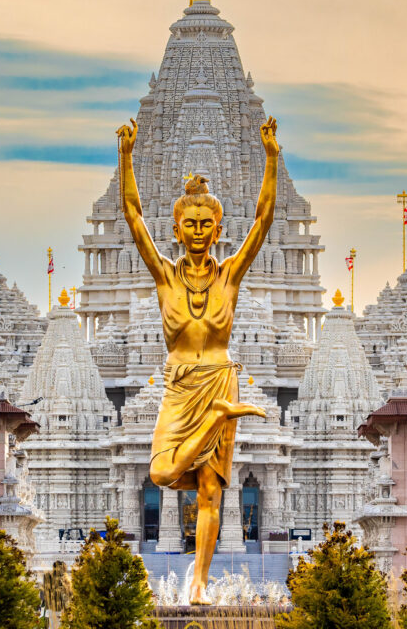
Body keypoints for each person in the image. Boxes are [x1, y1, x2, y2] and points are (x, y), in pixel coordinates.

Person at [116, 114, 280, 604]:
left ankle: (200, 583)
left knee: (211, 490)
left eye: (207, 224)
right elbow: (133, 217)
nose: (198, 232)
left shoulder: (229, 276)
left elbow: (263, 220)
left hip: (219, 377)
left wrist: (271, 157)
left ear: (218, 228)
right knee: (163, 473)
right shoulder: (165, 277)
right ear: (177, 228)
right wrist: (126, 157)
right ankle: (217, 417)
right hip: (181, 383)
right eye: (189, 224)